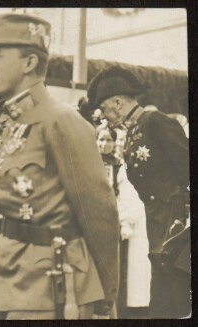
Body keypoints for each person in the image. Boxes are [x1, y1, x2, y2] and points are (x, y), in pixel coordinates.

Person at [0, 13, 120, 319]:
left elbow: (99, 213)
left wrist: (106, 296)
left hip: (56, 287)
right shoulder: (14, 124)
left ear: (29, 63)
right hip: (14, 279)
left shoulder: (61, 121)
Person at [87, 66, 190, 318]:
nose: (104, 117)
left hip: (174, 222)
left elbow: (187, 166)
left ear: (119, 103)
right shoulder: (134, 130)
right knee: (163, 301)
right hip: (157, 223)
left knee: (174, 299)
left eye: (105, 110)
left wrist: (185, 217)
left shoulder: (155, 122)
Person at [96, 126, 151, 318]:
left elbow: (122, 193)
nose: (105, 144)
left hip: (114, 217)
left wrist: (124, 219)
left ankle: (114, 306)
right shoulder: (90, 163)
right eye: (101, 140)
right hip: (94, 216)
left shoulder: (119, 165)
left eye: (109, 140)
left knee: (116, 263)